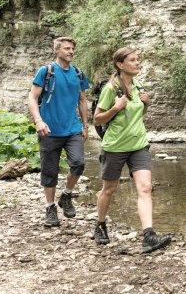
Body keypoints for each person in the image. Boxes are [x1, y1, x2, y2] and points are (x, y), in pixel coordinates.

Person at [92, 47, 171, 254]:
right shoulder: (110, 89)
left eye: (138, 60)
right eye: (133, 60)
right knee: (109, 189)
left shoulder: (138, 85)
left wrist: (147, 104)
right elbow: (97, 119)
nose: (137, 63)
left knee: (145, 188)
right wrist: (116, 108)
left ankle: (149, 236)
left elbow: (138, 114)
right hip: (115, 147)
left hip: (138, 145)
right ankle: (100, 224)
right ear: (120, 64)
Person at [28, 36, 90, 227]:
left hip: (72, 129)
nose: (70, 51)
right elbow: (32, 97)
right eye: (66, 48)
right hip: (49, 130)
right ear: (56, 50)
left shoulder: (78, 74)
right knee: (49, 171)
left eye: (72, 48)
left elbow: (82, 100)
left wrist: (86, 125)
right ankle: (50, 208)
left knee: (78, 163)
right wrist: (38, 121)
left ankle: (67, 195)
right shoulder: (46, 72)